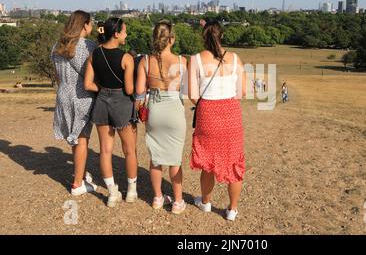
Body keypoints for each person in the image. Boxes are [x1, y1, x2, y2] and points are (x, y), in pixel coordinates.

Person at [188, 21, 246, 222]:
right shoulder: (236, 58)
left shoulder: (196, 59)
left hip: (207, 113)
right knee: (234, 161)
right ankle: (232, 209)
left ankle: (206, 202)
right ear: (222, 35)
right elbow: (242, 92)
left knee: (207, 161)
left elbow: (193, 96)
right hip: (231, 112)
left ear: (203, 37)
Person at [84, 18, 138, 207]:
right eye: (124, 31)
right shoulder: (126, 58)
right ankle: (131, 191)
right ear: (116, 34)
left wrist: (103, 90)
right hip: (122, 102)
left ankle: (112, 193)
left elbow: (88, 84)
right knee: (129, 150)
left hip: (102, 102)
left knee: (105, 150)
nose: (126, 34)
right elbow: (130, 89)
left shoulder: (94, 54)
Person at [135, 21, 187, 215]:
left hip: (155, 110)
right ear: (171, 39)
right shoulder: (182, 62)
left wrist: (140, 111)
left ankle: (157, 198)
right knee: (175, 160)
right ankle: (178, 201)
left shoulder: (145, 61)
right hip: (174, 111)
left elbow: (140, 94)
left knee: (155, 158)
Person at [51, 10, 98, 196]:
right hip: (81, 96)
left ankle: (81, 173)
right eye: (91, 23)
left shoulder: (57, 45)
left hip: (63, 93)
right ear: (85, 25)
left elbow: (57, 74)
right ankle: (78, 184)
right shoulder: (87, 46)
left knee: (74, 138)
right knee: (82, 139)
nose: (92, 26)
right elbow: (91, 73)